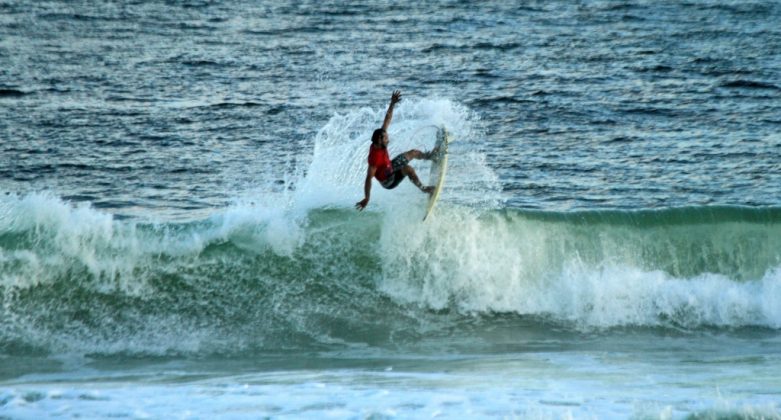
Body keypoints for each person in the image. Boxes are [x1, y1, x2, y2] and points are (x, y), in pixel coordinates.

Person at [355, 90, 434, 211]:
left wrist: (392, 103)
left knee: (413, 152)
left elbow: (387, 119)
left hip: (389, 166)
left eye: (386, 137)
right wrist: (367, 198)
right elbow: (368, 179)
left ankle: (431, 156)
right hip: (388, 181)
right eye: (386, 139)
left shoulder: (380, 138)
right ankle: (425, 189)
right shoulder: (374, 159)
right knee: (408, 169)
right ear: (379, 141)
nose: (388, 139)